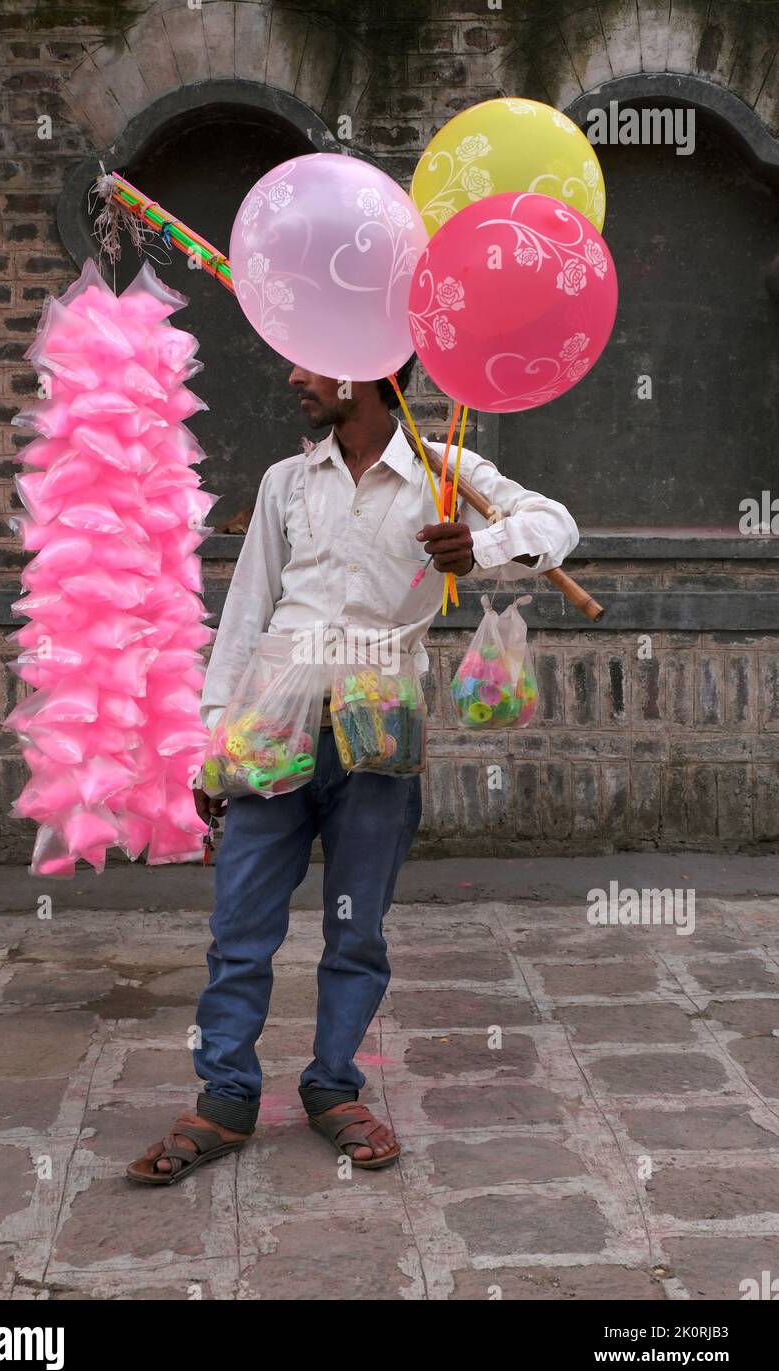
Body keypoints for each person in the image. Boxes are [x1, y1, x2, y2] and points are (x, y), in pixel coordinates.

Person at [126, 357, 578, 1184]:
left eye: (313, 365)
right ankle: (225, 1096)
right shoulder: (284, 483)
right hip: (270, 726)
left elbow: (556, 526)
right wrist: (212, 735)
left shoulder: (446, 475)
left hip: (377, 729)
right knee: (238, 928)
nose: (295, 376)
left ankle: (334, 1088)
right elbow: (248, 609)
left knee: (357, 929)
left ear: (365, 375)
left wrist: (480, 547)